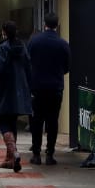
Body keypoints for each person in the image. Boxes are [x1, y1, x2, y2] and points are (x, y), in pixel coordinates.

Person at [0, 21, 33, 172]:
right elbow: (28, 67)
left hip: (5, 89)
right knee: (12, 122)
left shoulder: (2, 49)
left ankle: (14, 152)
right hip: (20, 90)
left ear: (4, 32)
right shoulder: (22, 47)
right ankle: (9, 158)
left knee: (4, 122)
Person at [27, 12, 71, 165]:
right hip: (55, 88)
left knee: (37, 121)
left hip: (37, 88)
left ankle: (36, 154)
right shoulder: (63, 44)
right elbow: (67, 67)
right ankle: (50, 154)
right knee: (53, 121)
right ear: (57, 25)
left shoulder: (34, 41)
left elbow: (28, 62)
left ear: (44, 24)